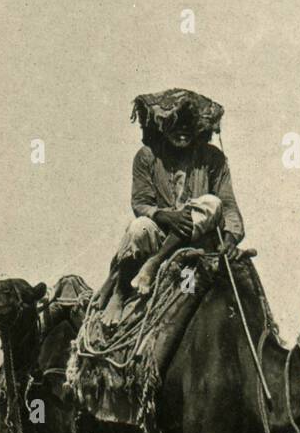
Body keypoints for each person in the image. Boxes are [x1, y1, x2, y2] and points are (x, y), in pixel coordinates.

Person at [92, 89, 246, 316]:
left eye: (188, 123)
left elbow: (228, 205)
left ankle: (154, 263)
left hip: (196, 243)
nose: (182, 129)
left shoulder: (214, 159)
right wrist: (166, 216)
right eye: (175, 121)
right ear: (162, 125)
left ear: (198, 127)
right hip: (160, 233)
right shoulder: (146, 156)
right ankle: (120, 291)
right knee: (137, 228)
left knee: (212, 203)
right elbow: (140, 203)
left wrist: (232, 237)